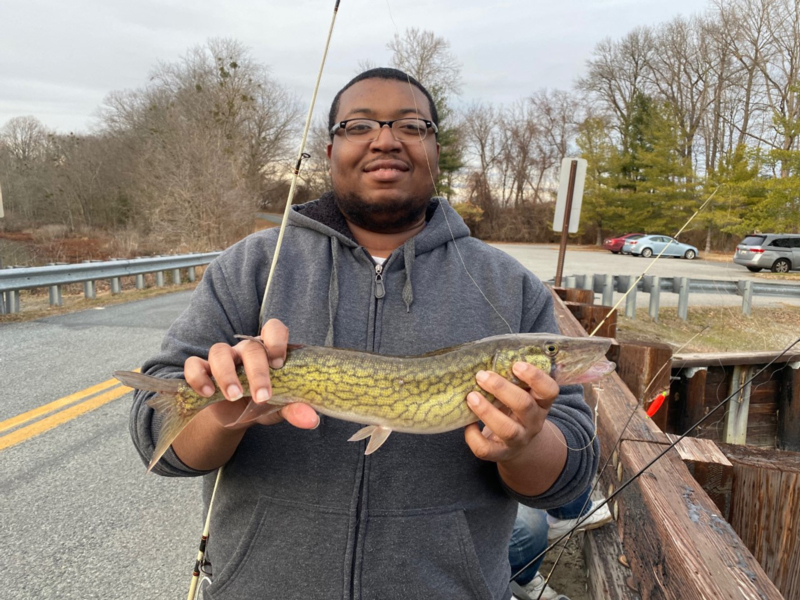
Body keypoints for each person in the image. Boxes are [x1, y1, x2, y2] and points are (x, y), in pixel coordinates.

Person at [130, 67, 599, 600]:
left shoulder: (508, 286)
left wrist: (524, 444)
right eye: (359, 126)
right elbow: (158, 443)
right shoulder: (254, 266)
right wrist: (223, 411)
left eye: (411, 125)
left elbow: (572, 473)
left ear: (435, 151)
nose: (385, 139)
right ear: (330, 151)